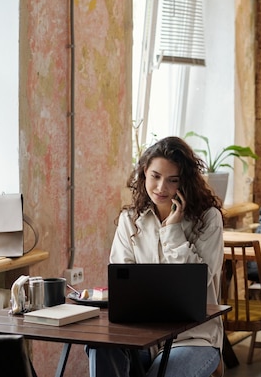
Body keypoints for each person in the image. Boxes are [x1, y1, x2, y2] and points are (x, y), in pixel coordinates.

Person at [87, 136, 225, 377]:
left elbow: (196, 283)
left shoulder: (208, 219)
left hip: (194, 339)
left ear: (186, 182)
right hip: (142, 337)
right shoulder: (130, 220)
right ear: (144, 173)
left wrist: (172, 229)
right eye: (156, 176)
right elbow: (122, 284)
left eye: (173, 180)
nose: (162, 188)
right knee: (101, 348)